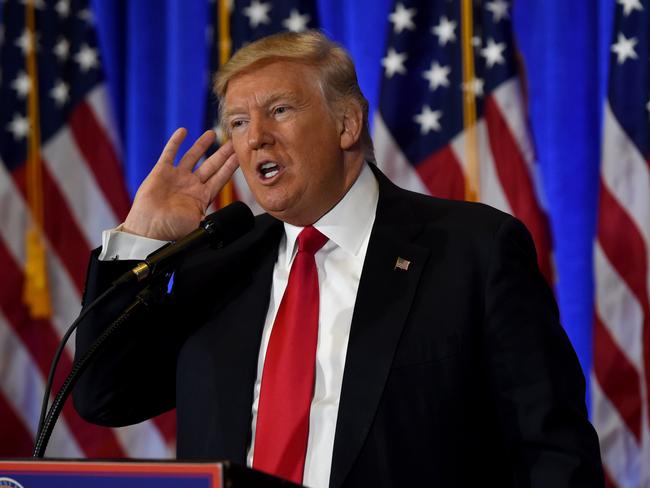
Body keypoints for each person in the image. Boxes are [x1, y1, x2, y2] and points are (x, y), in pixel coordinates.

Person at [74, 30, 604, 487]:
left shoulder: (472, 250)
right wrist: (141, 237)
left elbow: (552, 452)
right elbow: (106, 397)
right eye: (237, 122)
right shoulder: (217, 260)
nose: (255, 137)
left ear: (347, 124)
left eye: (279, 110)